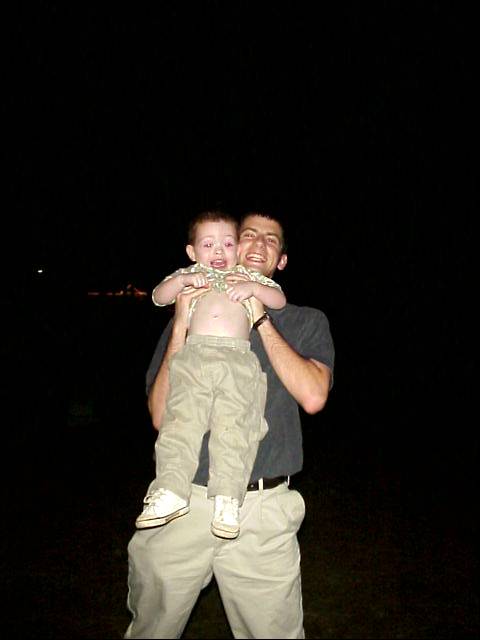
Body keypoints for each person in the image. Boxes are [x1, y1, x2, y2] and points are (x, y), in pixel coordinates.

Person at [125, 211, 335, 639]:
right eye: (248, 235)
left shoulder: (306, 321)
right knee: (152, 628)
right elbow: (161, 416)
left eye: (271, 240)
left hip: (261, 510)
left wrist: (259, 316)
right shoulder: (197, 309)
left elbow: (314, 396)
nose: (258, 244)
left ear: (282, 260)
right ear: (231, 247)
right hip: (184, 500)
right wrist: (181, 323)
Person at [135, 210, 286, 538]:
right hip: (194, 358)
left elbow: (279, 299)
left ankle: (227, 498)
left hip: (238, 362)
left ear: (237, 249)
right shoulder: (190, 274)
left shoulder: (245, 276)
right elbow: (158, 296)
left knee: (233, 428)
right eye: (208, 244)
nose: (219, 251)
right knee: (181, 423)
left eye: (228, 244)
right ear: (192, 252)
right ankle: (171, 490)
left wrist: (253, 288)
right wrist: (182, 282)